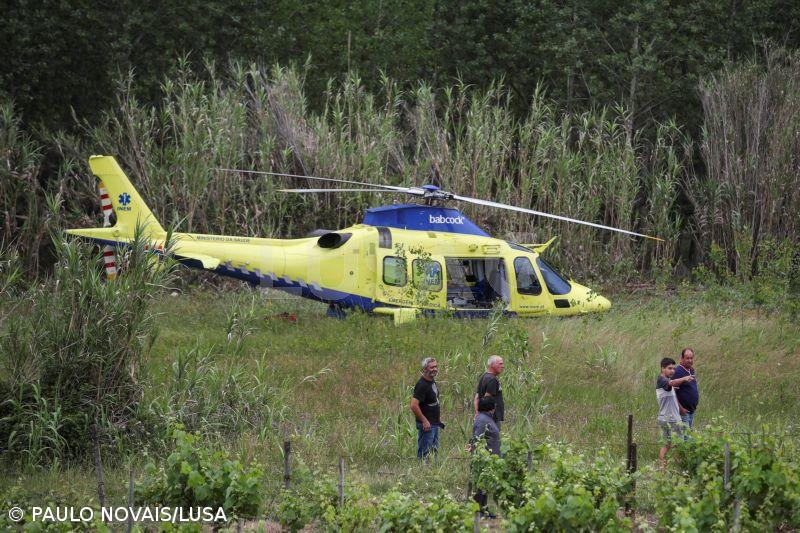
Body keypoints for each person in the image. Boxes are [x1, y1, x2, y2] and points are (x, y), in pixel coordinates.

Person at [656, 357, 695, 465]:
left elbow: (672, 397)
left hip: (664, 417)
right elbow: (671, 384)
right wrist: (684, 379)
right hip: (672, 419)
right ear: (662, 368)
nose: (672, 371)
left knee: (667, 444)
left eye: (673, 368)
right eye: (669, 368)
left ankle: (662, 469)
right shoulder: (662, 380)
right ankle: (679, 468)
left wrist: (681, 409)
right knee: (680, 445)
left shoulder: (665, 380)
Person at [468, 396, 501, 518]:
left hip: (488, 457)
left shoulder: (485, 418)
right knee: (481, 485)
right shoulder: (483, 420)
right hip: (484, 457)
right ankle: (478, 512)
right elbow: (478, 436)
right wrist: (473, 446)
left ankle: (483, 511)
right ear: (490, 408)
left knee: (484, 485)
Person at [410, 357, 443, 461]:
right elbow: (414, 405)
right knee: (425, 453)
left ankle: (434, 473)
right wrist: (424, 421)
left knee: (434, 451)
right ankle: (422, 472)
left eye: (436, 366)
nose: (435, 369)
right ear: (425, 369)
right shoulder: (422, 385)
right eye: (432, 367)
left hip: (434, 423)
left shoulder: (431, 381)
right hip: (427, 425)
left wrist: (437, 419)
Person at [673, 348, 699, 433]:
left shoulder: (691, 370)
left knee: (688, 438)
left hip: (691, 411)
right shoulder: (677, 371)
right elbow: (672, 393)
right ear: (682, 359)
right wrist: (681, 409)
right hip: (683, 412)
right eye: (687, 358)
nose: (690, 360)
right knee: (684, 440)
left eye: (691, 358)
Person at [474, 355, 504, 428]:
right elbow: (487, 400)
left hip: (483, 418)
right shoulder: (492, 380)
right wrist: (487, 418)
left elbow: (476, 398)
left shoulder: (484, 376)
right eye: (500, 364)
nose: (503, 366)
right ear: (492, 365)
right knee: (493, 438)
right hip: (492, 419)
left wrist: (477, 414)